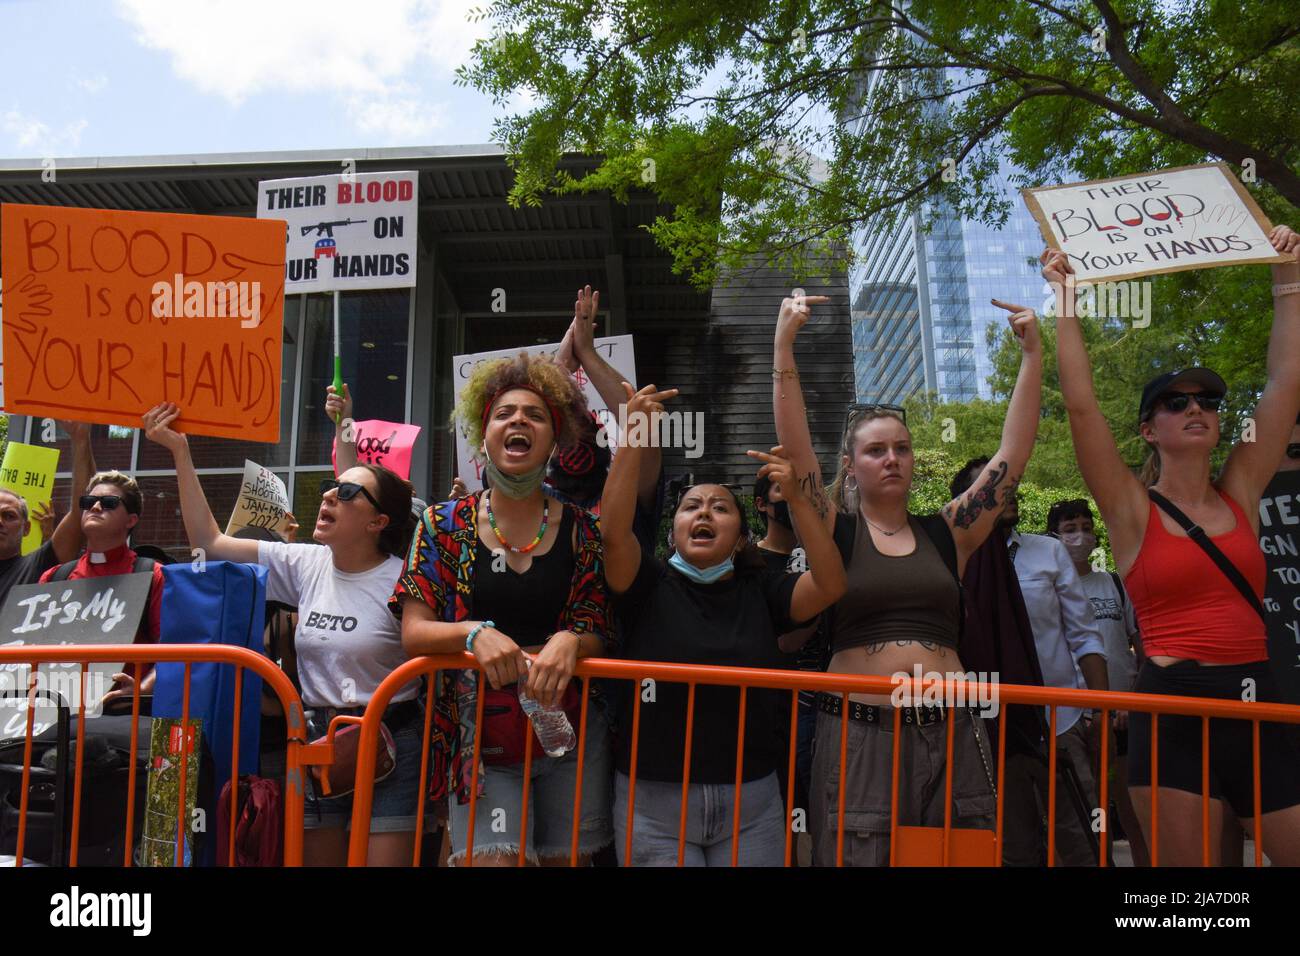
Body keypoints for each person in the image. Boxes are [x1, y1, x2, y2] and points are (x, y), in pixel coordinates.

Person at [1049, 223, 1300, 865]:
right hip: (1174, 699)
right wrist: (1067, 299)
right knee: (1187, 896)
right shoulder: (1132, 508)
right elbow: (1081, 409)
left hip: (1258, 693)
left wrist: (1286, 277)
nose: (1198, 408)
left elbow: (1285, 386)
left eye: (1209, 401)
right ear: (1147, 429)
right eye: (1176, 401)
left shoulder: (1240, 488)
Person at [773, 291, 1043, 866]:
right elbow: (797, 460)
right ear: (851, 465)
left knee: (958, 856)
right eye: (875, 450)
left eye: (901, 448)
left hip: (954, 727)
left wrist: (1032, 357)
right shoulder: (833, 530)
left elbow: (1012, 457)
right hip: (860, 729)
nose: (891, 458)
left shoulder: (951, 531)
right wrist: (784, 345)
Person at [140, 398, 421, 867]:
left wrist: (346, 427)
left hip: (394, 743)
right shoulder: (307, 562)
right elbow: (209, 544)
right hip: (318, 746)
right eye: (330, 489)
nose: (328, 496)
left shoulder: (406, 576)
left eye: (345, 495)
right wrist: (180, 453)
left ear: (378, 523)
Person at [602, 381, 845, 866]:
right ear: (672, 531)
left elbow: (831, 583)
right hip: (654, 801)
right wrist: (632, 435)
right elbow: (612, 533)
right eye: (691, 506)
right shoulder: (645, 584)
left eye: (720, 507)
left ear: (740, 536)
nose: (705, 512)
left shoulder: (764, 588)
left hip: (752, 802)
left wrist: (798, 499)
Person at [392, 352, 614, 866]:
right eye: (504, 413)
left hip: (570, 734)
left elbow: (600, 624)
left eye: (535, 415)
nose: (518, 421)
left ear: (555, 440)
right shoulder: (442, 524)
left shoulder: (583, 527)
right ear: (484, 432)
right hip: (480, 738)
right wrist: (471, 633)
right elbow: (415, 631)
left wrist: (571, 641)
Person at [966, 467, 1107, 868]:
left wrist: (1098, 713)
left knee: (1082, 840)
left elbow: (1084, 635)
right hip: (990, 732)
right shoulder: (955, 559)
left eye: (1009, 483)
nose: (1005, 491)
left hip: (1061, 723)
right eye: (991, 484)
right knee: (1013, 848)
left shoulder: (1049, 552)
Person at [1048, 497, 1149, 866]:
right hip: (1077, 718)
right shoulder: (1050, 587)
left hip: (1126, 713)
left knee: (1134, 809)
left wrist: (1130, 701)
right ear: (1053, 537)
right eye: (1070, 530)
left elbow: (1140, 645)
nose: (1081, 537)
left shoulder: (1114, 584)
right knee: (1083, 811)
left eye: (1086, 528)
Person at [41, 469, 167, 704]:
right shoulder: (54, 577)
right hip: (56, 710)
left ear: (131, 520)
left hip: (122, 710)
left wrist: (141, 689)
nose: (95, 507)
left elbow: (173, 648)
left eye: (109, 503)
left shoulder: (153, 575)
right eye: (88, 502)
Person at [0, 421, 95, 606]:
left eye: (9, 516)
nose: (0, 521)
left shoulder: (38, 565)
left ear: (26, 528)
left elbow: (81, 512)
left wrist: (80, 439)